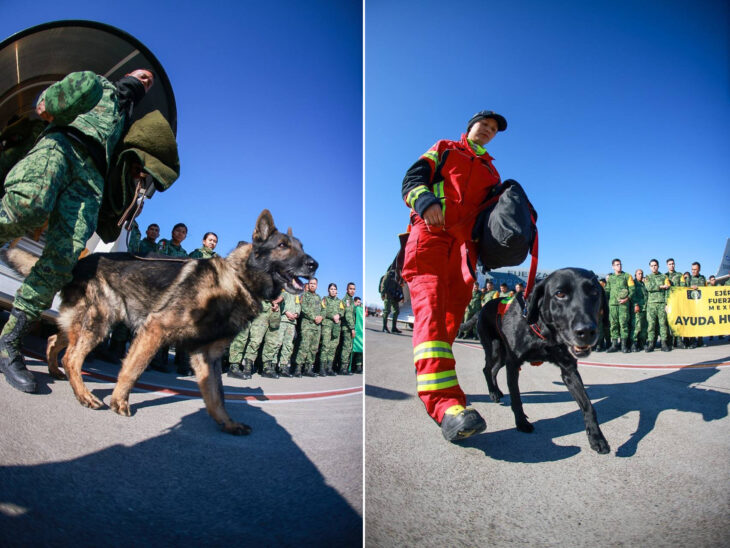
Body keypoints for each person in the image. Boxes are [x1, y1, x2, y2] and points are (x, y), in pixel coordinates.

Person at [0, 69, 154, 393]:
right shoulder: (97, 85)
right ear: (127, 74)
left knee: (61, 259)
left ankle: (9, 342)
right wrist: (51, 104)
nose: (145, 81)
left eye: (149, 82)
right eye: (142, 75)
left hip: (91, 181)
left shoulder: (127, 130)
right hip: (62, 146)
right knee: (26, 207)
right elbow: (48, 104)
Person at [400, 109, 506, 441]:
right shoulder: (446, 147)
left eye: (493, 130)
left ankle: (433, 379)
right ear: (470, 127)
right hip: (430, 236)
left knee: (448, 323)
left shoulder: (492, 172)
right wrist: (426, 202)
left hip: (463, 252)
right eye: (484, 125)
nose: (488, 131)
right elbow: (411, 179)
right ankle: (445, 405)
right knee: (430, 314)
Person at [294, 277, 324, 377]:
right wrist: (314, 317)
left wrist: (321, 317)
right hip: (307, 325)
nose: (312, 285)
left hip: (317, 326)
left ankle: (308, 369)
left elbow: (324, 309)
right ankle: (298, 369)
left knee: (313, 348)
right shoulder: (304, 295)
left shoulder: (319, 297)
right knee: (304, 347)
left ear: (317, 285)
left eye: (314, 284)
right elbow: (304, 308)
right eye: (311, 283)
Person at [605, 258, 635, 353]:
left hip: (623, 305)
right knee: (613, 325)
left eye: (620, 264)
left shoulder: (627, 276)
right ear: (613, 266)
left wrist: (627, 299)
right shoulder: (611, 278)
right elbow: (607, 290)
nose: (619, 266)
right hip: (613, 305)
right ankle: (614, 345)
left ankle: (624, 346)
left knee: (623, 324)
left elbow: (632, 289)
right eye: (617, 265)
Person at [644, 259, 671, 352]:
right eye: (652, 265)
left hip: (661, 304)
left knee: (663, 324)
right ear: (650, 267)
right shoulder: (647, 277)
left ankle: (664, 344)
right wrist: (661, 286)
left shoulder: (664, 276)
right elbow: (648, 287)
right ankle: (651, 344)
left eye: (655, 265)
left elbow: (668, 289)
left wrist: (667, 303)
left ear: (658, 266)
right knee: (651, 325)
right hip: (651, 304)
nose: (654, 267)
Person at [319, 283, 343, 376]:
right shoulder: (325, 299)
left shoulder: (339, 301)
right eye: (331, 289)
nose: (333, 290)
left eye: (334, 289)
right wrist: (332, 316)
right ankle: (322, 368)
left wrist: (339, 315)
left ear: (336, 291)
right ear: (328, 290)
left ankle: (329, 368)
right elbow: (323, 310)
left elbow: (342, 310)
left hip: (336, 326)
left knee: (333, 347)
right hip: (327, 325)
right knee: (325, 346)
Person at [665, 258, 685, 348]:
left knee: (678, 321)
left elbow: (683, 287)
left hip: (678, 301)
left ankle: (679, 341)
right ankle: (670, 342)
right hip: (668, 301)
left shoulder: (680, 275)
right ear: (667, 265)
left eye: (673, 264)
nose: (671, 265)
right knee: (669, 322)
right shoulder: (664, 276)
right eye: (669, 264)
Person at [686, 262, 706, 349]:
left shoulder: (702, 278)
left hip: (700, 305)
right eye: (692, 269)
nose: (693, 271)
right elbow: (684, 289)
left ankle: (700, 341)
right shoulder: (688, 279)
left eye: (695, 269)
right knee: (692, 323)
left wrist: (697, 286)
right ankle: (692, 342)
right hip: (691, 305)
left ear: (699, 270)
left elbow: (705, 288)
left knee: (701, 323)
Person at [338, 282, 357, 375]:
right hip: (347, 328)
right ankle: (343, 368)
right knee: (346, 348)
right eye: (350, 289)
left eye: (354, 289)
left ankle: (344, 367)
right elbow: (348, 315)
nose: (352, 291)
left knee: (347, 347)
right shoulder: (347, 301)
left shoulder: (351, 300)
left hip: (348, 327)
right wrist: (352, 328)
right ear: (347, 290)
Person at [379, 267, 403, 333]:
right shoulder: (389, 274)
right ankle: (384, 327)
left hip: (394, 296)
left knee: (397, 311)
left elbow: (400, 286)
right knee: (387, 311)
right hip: (388, 295)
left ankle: (394, 328)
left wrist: (402, 296)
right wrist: (383, 294)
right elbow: (383, 283)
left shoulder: (398, 276)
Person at [630, 269, 648, 352]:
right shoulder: (633, 283)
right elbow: (632, 295)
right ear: (635, 275)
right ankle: (633, 344)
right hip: (637, 308)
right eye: (639, 274)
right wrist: (635, 304)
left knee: (644, 328)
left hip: (645, 308)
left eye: (641, 273)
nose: (640, 275)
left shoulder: (643, 284)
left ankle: (642, 343)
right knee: (637, 327)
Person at [351, 296, 364, 374]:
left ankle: (358, 367)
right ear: (354, 302)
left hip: (359, 333)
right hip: (352, 331)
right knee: (352, 350)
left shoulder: (360, 310)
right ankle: (351, 366)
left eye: (360, 302)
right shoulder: (353, 309)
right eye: (358, 302)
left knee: (359, 350)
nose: (359, 304)